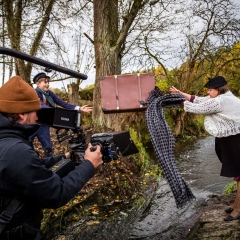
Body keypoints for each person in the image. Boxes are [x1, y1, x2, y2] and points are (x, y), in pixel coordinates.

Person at [0, 76, 103, 240]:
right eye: (35, 112)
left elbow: (33, 168)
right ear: (20, 114)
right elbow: (57, 193)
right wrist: (90, 164)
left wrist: (66, 157)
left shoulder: (8, 143)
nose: (37, 117)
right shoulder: (15, 151)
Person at [169, 76, 240, 221]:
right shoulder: (224, 96)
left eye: (210, 90)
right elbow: (199, 99)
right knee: (238, 174)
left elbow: (199, 107)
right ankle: (237, 204)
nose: (208, 92)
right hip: (231, 139)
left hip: (235, 140)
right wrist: (180, 93)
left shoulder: (222, 101)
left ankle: (238, 209)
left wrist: (176, 101)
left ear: (218, 90)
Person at [30, 72, 92, 157]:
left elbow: (62, 103)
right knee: (27, 143)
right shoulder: (34, 93)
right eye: (45, 82)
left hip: (43, 124)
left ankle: (50, 164)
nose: (47, 84)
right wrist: (57, 112)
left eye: (48, 82)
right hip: (32, 123)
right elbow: (42, 106)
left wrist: (79, 108)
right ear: (38, 83)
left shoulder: (49, 94)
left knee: (47, 146)